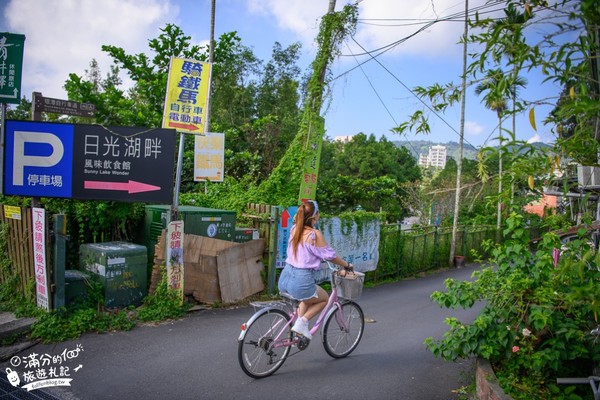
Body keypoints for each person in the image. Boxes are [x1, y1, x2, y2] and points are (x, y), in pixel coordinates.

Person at [278, 200, 353, 340]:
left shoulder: (295, 229)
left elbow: (306, 251)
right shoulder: (314, 234)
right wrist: (346, 265)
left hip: (285, 277)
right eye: (318, 212)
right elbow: (330, 256)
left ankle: (298, 331)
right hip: (301, 280)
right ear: (314, 216)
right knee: (323, 299)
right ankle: (302, 322)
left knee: (307, 297)